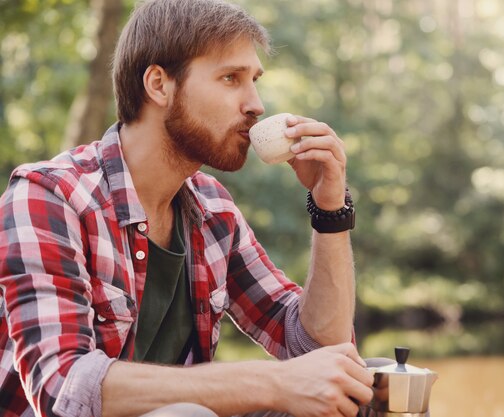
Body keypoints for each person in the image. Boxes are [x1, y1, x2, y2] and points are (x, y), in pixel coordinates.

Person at [0, 0, 374, 416]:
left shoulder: (213, 209)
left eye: (255, 80)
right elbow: (61, 386)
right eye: (231, 78)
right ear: (159, 85)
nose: (256, 104)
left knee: (358, 392)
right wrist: (272, 383)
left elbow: (318, 349)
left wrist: (329, 209)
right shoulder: (48, 196)